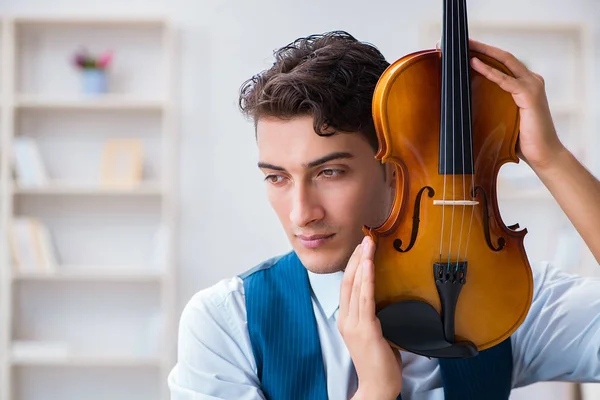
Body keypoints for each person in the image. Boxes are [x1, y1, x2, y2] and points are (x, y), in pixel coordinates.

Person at [168, 30, 600, 399]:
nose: (302, 213)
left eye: (330, 172)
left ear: (397, 173)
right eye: (277, 178)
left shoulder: (504, 300)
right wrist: (375, 390)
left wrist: (551, 159)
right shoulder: (226, 321)